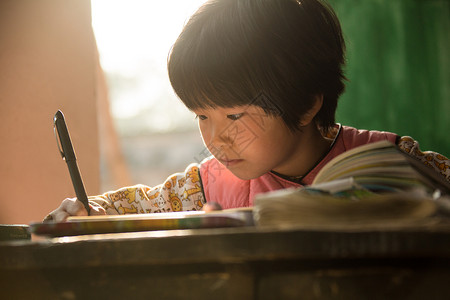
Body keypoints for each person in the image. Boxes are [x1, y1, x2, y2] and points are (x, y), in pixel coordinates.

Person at [45, 0, 449, 222]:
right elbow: (129, 209)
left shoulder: (394, 163)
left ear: (308, 103)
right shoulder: (201, 189)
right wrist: (88, 210)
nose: (215, 138)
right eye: (202, 116)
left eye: (234, 116)